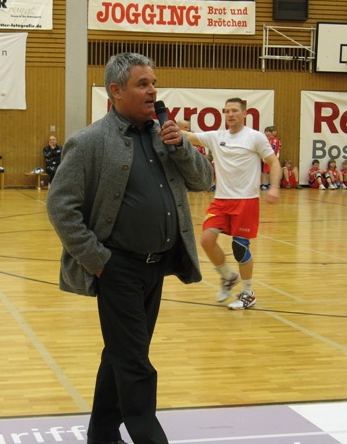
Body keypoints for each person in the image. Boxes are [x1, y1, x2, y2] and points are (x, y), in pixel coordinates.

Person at [46, 52, 213, 444]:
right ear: (116, 91)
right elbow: (60, 206)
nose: (152, 90)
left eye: (153, 83)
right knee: (135, 363)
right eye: (142, 84)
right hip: (117, 267)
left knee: (121, 354)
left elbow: (204, 181)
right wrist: (97, 260)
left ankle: (102, 436)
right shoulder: (89, 142)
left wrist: (182, 147)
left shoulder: (165, 135)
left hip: (157, 267)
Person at [183, 98, 281, 310]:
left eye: (235, 110)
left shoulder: (255, 137)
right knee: (206, 240)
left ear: (244, 114)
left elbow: (274, 162)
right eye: (227, 111)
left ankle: (248, 293)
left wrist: (274, 187)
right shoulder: (217, 137)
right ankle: (228, 277)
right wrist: (164, 126)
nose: (230, 114)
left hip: (246, 201)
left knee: (239, 247)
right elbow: (188, 137)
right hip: (221, 200)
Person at [260, 126, 281, 190]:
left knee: (270, 171)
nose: (268, 133)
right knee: (263, 171)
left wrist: (276, 156)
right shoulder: (265, 139)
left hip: (271, 157)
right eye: (267, 132)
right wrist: (263, 157)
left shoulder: (276, 139)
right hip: (265, 157)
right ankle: (262, 185)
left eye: (269, 132)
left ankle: (270, 184)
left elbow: (278, 148)